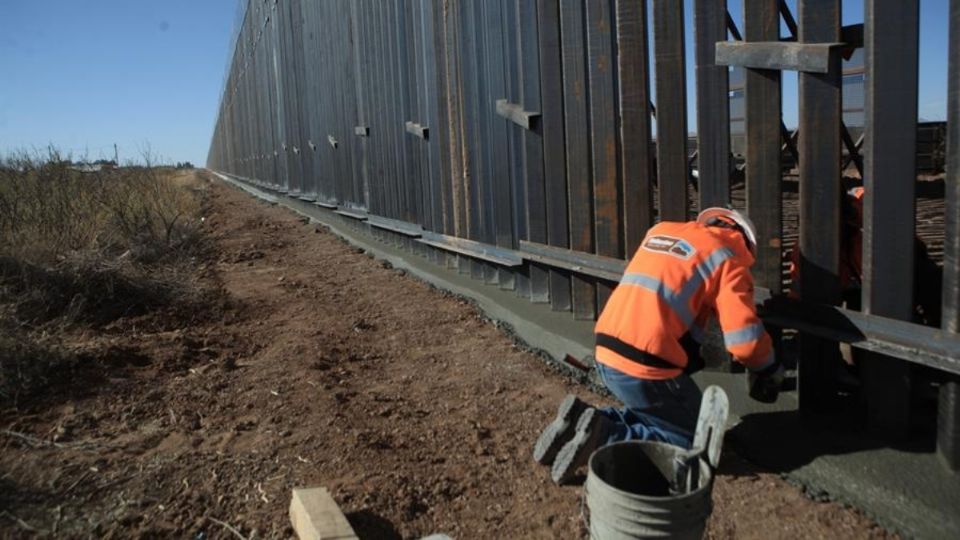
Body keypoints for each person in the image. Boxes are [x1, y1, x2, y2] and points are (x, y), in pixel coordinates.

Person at [534, 208, 785, 485]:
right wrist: (769, 366)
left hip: (605, 351)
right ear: (745, 242)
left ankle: (583, 420)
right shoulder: (728, 260)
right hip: (646, 365)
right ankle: (605, 436)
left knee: (656, 413)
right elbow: (745, 343)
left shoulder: (660, 232)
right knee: (689, 442)